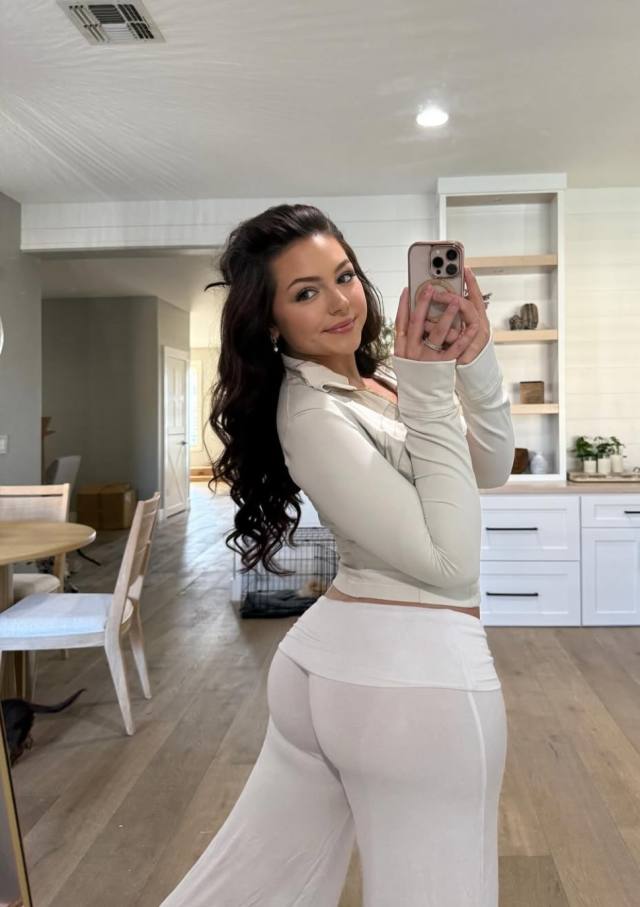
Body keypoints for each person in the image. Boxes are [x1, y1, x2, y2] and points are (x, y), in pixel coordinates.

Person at [159, 204, 515, 907]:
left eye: (343, 276)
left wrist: (473, 362)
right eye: (305, 292)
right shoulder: (313, 413)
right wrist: (429, 389)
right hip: (408, 680)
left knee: (248, 890)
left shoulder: (376, 382)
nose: (339, 302)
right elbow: (452, 565)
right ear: (271, 322)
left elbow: (492, 466)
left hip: (340, 665)